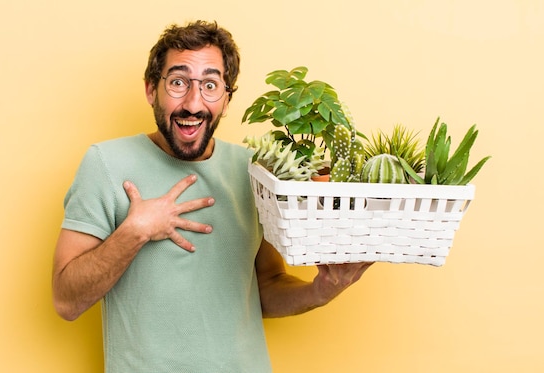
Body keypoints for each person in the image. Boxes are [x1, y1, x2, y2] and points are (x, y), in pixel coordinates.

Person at [52, 20, 372, 372]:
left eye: (210, 84)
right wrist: (136, 231)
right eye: (177, 82)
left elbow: (266, 286)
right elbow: (66, 301)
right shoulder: (106, 163)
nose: (193, 102)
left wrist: (321, 290)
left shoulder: (254, 171)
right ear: (150, 90)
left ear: (227, 98)